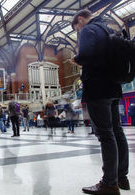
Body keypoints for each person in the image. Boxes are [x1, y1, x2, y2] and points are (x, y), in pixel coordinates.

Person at [72, 9, 130, 194]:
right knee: (117, 131)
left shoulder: (89, 30)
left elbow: (87, 55)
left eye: (76, 27)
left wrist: (76, 59)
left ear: (81, 19)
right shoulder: (108, 28)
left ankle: (108, 183)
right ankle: (122, 177)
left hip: (97, 88)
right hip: (114, 86)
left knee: (105, 135)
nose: (78, 31)